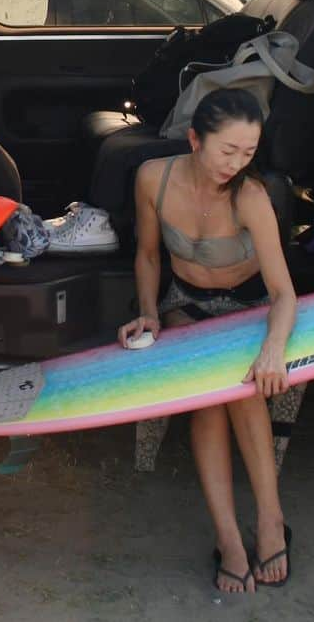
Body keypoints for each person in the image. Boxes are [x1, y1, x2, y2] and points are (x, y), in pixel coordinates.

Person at [118, 88, 297, 594]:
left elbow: (284, 293)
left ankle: (268, 520)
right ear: (195, 138)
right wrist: (150, 314)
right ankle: (229, 539)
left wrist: (272, 349)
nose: (236, 163)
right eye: (227, 151)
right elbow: (149, 256)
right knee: (207, 399)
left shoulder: (251, 197)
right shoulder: (154, 178)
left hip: (248, 307)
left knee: (241, 391)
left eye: (248, 153)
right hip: (185, 304)